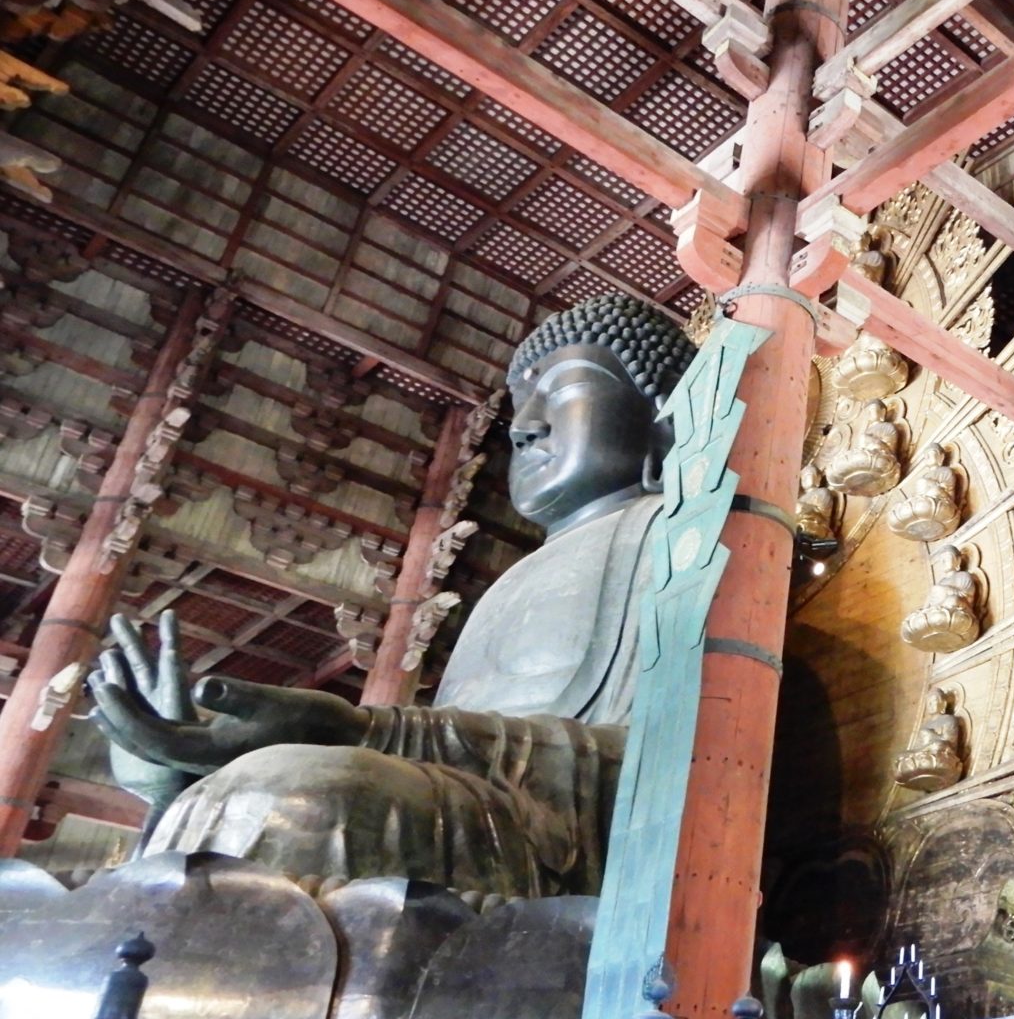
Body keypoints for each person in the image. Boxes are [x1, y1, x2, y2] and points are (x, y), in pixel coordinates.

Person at [89, 295, 695, 897]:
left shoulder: (687, 539)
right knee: (243, 796)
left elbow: (680, 764)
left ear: (664, 422)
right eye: (521, 404)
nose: (524, 426)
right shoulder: (508, 587)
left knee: (301, 795)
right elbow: (451, 755)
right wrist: (174, 779)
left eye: (562, 392)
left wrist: (364, 731)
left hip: (571, 847)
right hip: (477, 814)